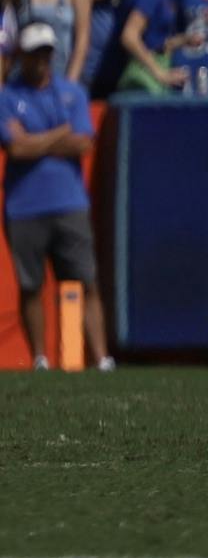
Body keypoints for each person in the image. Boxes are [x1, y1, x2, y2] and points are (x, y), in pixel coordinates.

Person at [1, 22, 110, 371]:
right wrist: (59, 134)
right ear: (22, 56)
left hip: (69, 201)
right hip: (24, 205)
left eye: (46, 54)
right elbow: (16, 149)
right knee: (31, 285)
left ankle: (100, 358)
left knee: (85, 280)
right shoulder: (7, 96)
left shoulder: (72, 92)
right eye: (34, 54)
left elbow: (83, 142)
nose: (41, 61)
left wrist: (35, 140)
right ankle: (40, 358)